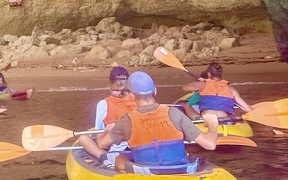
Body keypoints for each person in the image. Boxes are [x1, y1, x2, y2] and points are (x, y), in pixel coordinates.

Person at [77, 70, 220, 173]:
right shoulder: (174, 112)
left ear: (132, 95)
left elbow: (102, 144)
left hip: (146, 172)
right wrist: (213, 125)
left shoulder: (127, 120)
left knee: (120, 159)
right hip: (181, 169)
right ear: (155, 91)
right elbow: (210, 144)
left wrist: (107, 130)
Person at [185, 62, 252, 123]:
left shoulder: (202, 85)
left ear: (209, 74)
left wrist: (202, 81)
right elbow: (247, 108)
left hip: (205, 118)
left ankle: (196, 120)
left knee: (186, 105)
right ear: (220, 74)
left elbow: (185, 88)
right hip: (223, 118)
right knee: (235, 109)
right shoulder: (230, 88)